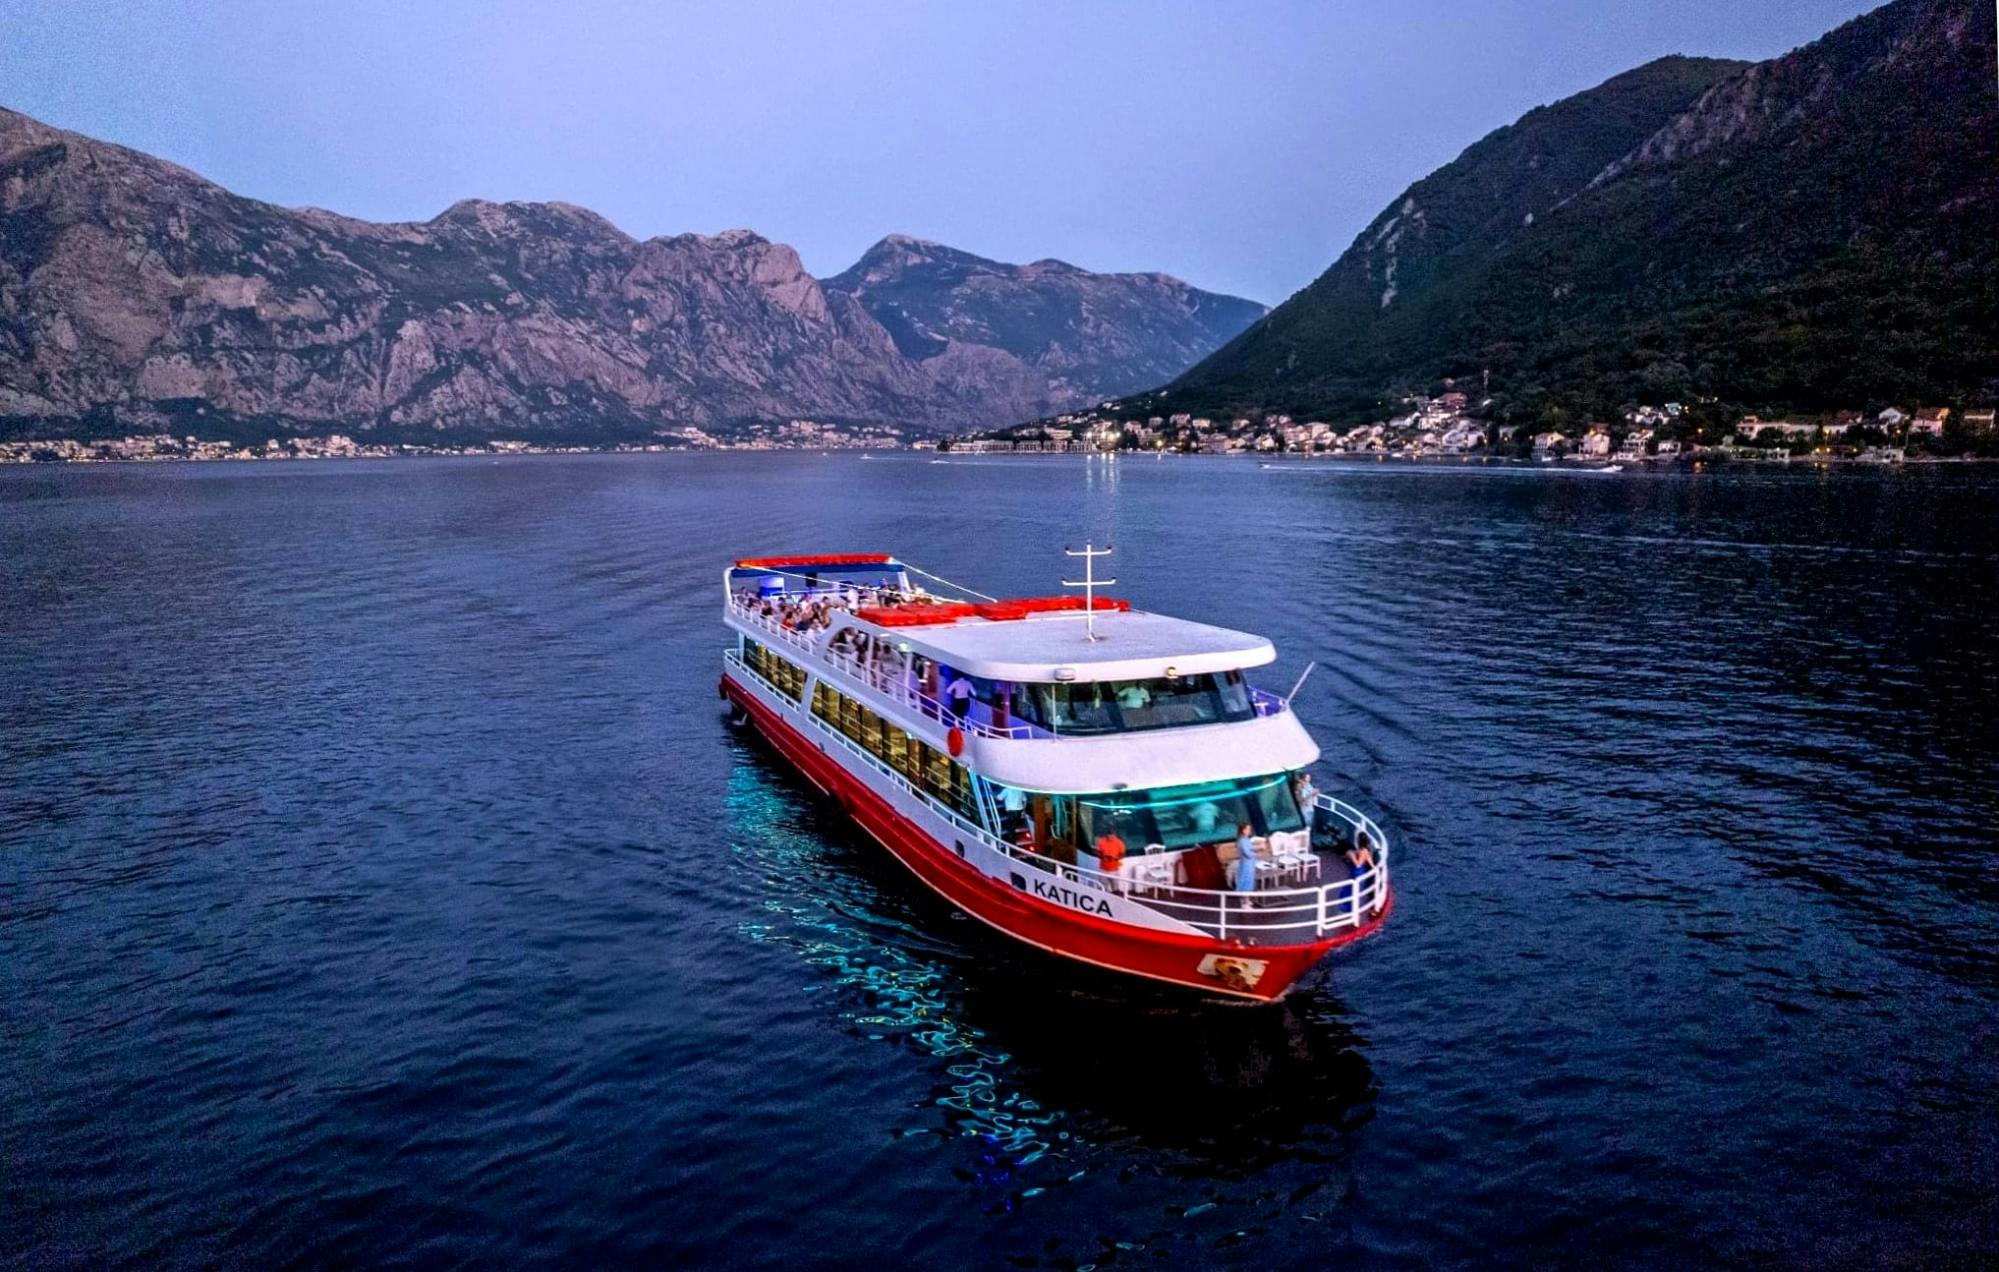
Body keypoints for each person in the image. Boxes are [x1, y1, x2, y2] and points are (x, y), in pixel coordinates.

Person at [1234, 823, 1259, 898]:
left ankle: (1247, 900)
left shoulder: (1247, 840)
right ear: (1243, 830)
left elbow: (1250, 848)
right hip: (1246, 865)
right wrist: (1257, 853)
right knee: (1246, 883)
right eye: (1248, 829)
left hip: (1250, 865)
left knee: (1249, 882)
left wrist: (1258, 848)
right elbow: (1247, 853)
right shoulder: (1242, 841)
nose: (1249, 831)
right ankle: (1245, 902)